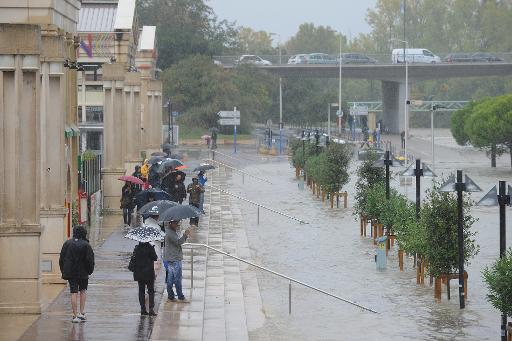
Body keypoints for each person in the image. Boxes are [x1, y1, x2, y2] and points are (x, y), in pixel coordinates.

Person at [59, 226, 95, 323]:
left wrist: (63, 270)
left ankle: (74, 316)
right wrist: (89, 270)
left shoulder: (67, 243)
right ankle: (81, 313)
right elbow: (90, 260)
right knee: (83, 291)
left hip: (71, 273)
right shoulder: (86, 245)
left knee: (73, 292)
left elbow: (62, 258)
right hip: (83, 272)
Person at [164, 220, 190, 301]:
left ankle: (171, 295)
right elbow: (178, 242)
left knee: (170, 278)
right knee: (177, 278)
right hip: (174, 258)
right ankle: (180, 295)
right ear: (171, 223)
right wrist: (185, 235)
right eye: (175, 223)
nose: (177, 224)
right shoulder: (170, 233)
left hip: (170, 258)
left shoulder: (170, 231)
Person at [131, 241, 158, 316]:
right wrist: (152, 249)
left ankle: (143, 309)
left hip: (139, 273)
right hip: (148, 273)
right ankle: (151, 309)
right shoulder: (150, 247)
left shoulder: (137, 248)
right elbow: (155, 258)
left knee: (141, 291)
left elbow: (134, 259)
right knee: (151, 291)